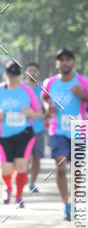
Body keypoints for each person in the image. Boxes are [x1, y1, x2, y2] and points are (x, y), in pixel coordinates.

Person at [42, 48, 88, 220]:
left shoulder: (83, 82)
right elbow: (44, 98)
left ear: (73, 62)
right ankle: (65, 204)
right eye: (61, 59)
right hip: (57, 131)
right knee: (60, 168)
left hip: (78, 130)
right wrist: (47, 108)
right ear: (57, 63)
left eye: (68, 59)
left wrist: (82, 95)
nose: (65, 62)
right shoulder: (50, 82)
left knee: (76, 170)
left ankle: (74, 203)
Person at [0, 60, 41, 208]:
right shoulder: (0, 90)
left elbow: (39, 112)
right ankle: (8, 187)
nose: (13, 78)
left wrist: (30, 113)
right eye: (10, 75)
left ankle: (19, 196)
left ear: (20, 75)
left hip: (24, 134)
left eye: (16, 75)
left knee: (21, 165)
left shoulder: (27, 90)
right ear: (6, 74)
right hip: (3, 135)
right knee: (6, 168)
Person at [24, 62, 46, 193]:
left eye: (35, 71)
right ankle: (23, 180)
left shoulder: (43, 88)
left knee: (37, 158)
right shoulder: (20, 88)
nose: (32, 73)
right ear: (26, 72)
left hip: (39, 128)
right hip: (23, 128)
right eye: (30, 70)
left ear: (38, 73)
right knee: (24, 158)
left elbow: (49, 104)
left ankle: (32, 183)